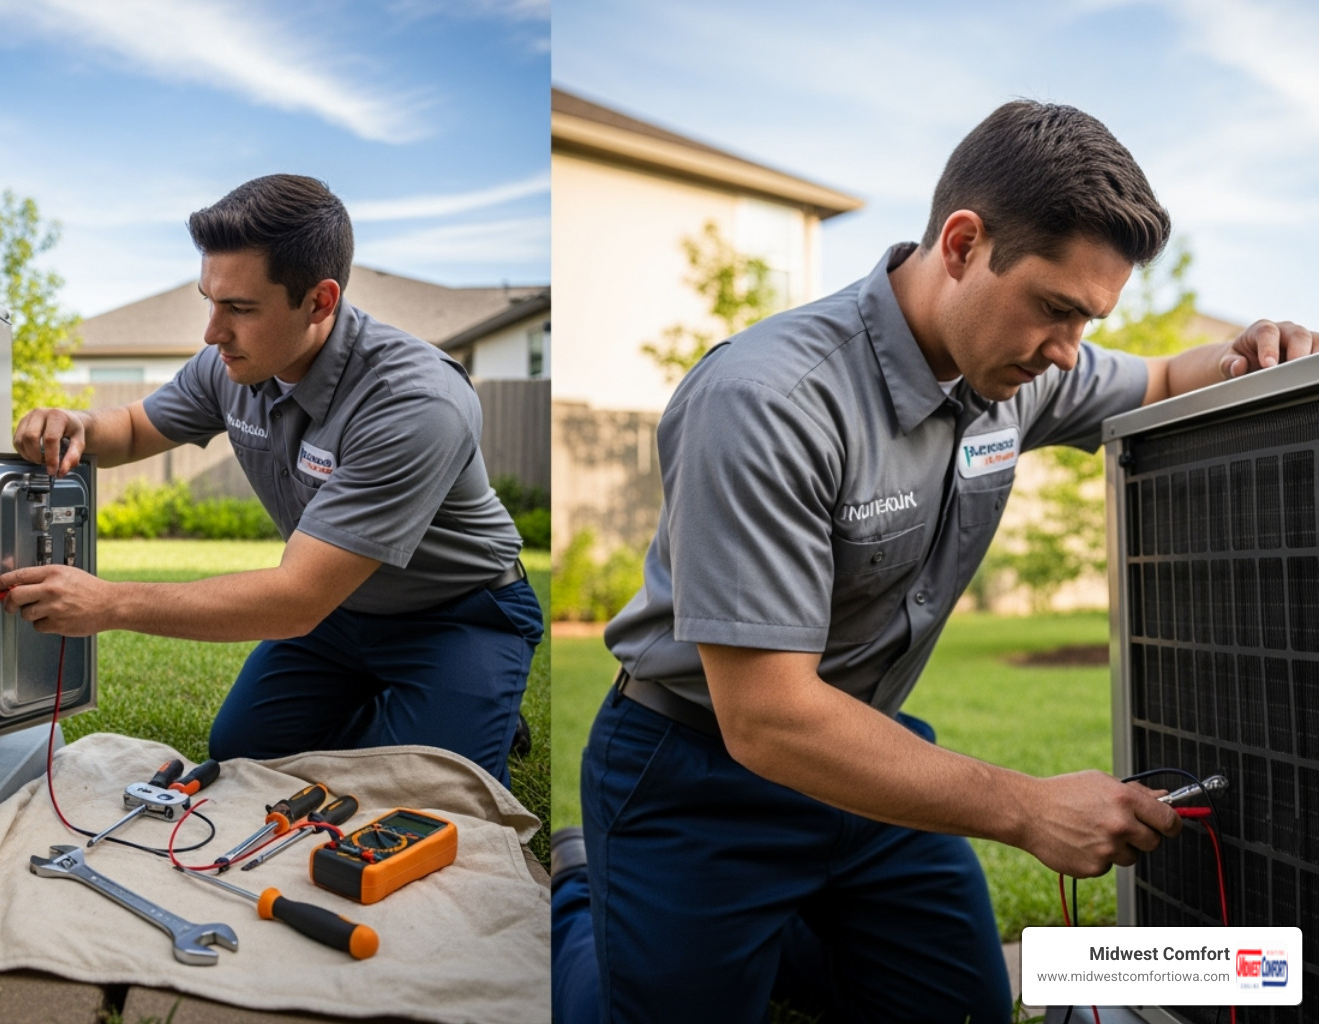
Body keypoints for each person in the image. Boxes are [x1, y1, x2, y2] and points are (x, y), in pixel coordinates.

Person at [551, 100, 1315, 1023]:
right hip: (701, 772)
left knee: (961, 1010)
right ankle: (583, 891)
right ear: (961, 244)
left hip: (872, 761)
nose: (1067, 353)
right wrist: (1028, 808)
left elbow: (1157, 379)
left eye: (1088, 319)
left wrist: (1248, 354)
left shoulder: (1015, 370)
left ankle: (774, 934)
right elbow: (768, 718)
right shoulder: (767, 401)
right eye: (1056, 309)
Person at [0, 174, 542, 787]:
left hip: (457, 611)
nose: (212, 332)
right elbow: (134, 427)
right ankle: (419, 708)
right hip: (340, 614)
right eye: (210, 300)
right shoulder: (229, 365)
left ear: (320, 301)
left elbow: (296, 598)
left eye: (240, 308)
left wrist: (110, 602)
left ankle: (469, 706)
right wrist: (80, 425)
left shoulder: (414, 401)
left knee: (425, 786)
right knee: (244, 750)